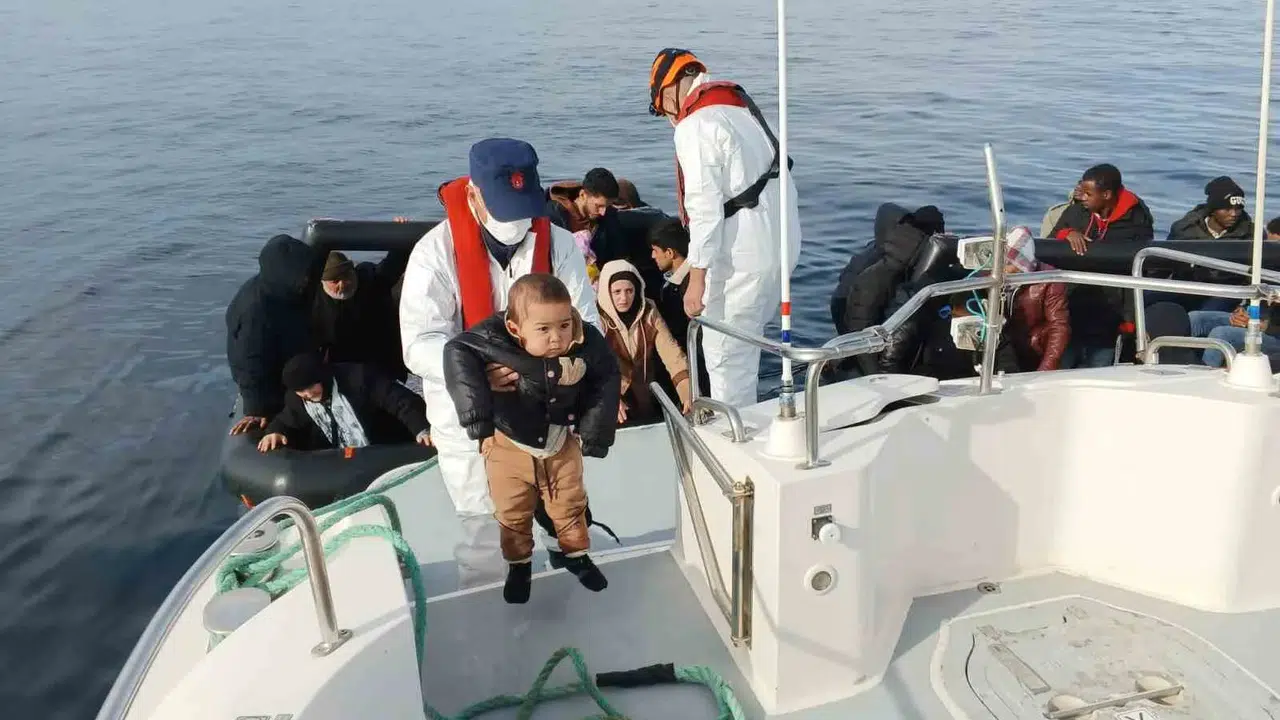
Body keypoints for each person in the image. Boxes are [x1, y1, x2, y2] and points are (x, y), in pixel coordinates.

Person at [399, 138, 598, 586]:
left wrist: (556, 367)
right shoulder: (434, 253)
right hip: (472, 421)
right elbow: (419, 342)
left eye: (523, 209)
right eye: (504, 209)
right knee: (486, 531)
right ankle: (490, 607)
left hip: (545, 412)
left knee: (562, 514)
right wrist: (475, 370)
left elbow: (586, 323)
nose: (516, 223)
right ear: (473, 195)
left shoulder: (559, 245)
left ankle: (564, 594)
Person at [442, 274, 619, 603]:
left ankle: (575, 556)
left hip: (559, 440)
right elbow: (456, 353)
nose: (557, 337)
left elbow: (606, 375)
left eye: (564, 325)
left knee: (569, 503)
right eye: (544, 329)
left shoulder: (585, 340)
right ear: (514, 328)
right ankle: (519, 565)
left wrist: (595, 431)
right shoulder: (490, 339)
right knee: (513, 511)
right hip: (509, 442)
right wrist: (478, 418)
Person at [648, 48, 802, 408]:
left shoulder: (695, 126)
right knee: (747, 350)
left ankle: (735, 434)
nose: (668, 118)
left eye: (662, 109)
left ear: (668, 91)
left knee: (725, 361)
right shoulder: (742, 111)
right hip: (781, 252)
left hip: (741, 262)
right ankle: (753, 420)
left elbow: (704, 209)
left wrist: (697, 279)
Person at [1046, 164, 1154, 368]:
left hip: (1110, 311)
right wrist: (1067, 234)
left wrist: (1130, 319)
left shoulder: (1136, 221)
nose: (1082, 197)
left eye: (1088, 194)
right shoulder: (1078, 210)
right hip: (1073, 303)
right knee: (1062, 365)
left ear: (1106, 194)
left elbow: (1139, 269)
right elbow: (1052, 239)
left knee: (1099, 367)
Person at [829, 203, 945, 376]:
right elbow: (859, 322)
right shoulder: (884, 269)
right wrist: (876, 375)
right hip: (861, 334)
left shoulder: (891, 254)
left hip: (863, 324)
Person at [226, 234, 318, 435]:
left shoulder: (283, 293)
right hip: (274, 384)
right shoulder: (256, 311)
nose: (306, 279)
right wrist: (256, 408)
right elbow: (250, 360)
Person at [257, 353, 431, 453]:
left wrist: (421, 429)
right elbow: (286, 420)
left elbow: (400, 400)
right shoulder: (298, 401)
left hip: (383, 449)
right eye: (301, 391)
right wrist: (275, 431)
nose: (308, 395)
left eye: (311, 387)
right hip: (341, 463)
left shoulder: (359, 379)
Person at [596, 260, 693, 426]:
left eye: (629, 291)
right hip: (614, 404)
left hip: (647, 398)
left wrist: (687, 393)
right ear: (606, 292)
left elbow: (673, 355)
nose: (623, 298)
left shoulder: (648, 312)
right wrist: (608, 396)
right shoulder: (597, 319)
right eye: (617, 292)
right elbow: (592, 365)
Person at [312, 249, 410, 381]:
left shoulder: (372, 280)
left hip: (378, 364)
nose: (342, 284)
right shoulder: (313, 300)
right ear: (323, 282)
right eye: (335, 281)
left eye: (347, 277)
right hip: (339, 368)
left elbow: (397, 259)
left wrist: (404, 236)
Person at [647, 218, 711, 395]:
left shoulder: (688, 287)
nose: (652, 256)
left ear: (669, 253)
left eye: (655, 250)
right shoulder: (674, 282)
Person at [1000, 228, 1071, 371]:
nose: (1003, 268)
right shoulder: (992, 275)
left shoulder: (1050, 279)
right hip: (1004, 346)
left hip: (1035, 349)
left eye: (1008, 263)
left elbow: (1059, 326)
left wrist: (1046, 369)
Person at [1189, 302, 1280, 367]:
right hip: (1255, 315)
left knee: (1221, 334)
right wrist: (1241, 310)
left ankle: (1205, 380)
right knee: (1195, 318)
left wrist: (1263, 326)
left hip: (1274, 333)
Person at [1167, 176, 1253, 240]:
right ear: (1212, 210)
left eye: (1238, 208)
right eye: (1227, 209)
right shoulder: (1184, 230)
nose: (1233, 214)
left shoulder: (1252, 234)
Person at [546, 167, 620, 235]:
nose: (603, 213)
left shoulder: (608, 215)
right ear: (583, 195)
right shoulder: (553, 217)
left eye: (608, 206)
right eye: (598, 206)